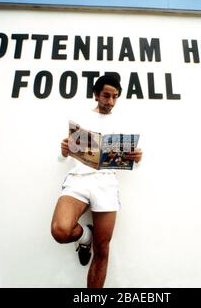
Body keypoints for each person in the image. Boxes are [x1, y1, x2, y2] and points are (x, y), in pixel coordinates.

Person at [51, 75, 143, 288]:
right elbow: (62, 157)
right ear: (96, 94)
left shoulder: (123, 122)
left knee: (102, 249)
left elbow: (133, 160)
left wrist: (137, 159)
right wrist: (63, 152)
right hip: (79, 180)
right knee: (60, 230)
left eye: (115, 97)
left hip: (106, 182)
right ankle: (85, 237)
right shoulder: (79, 118)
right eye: (106, 95)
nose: (110, 101)